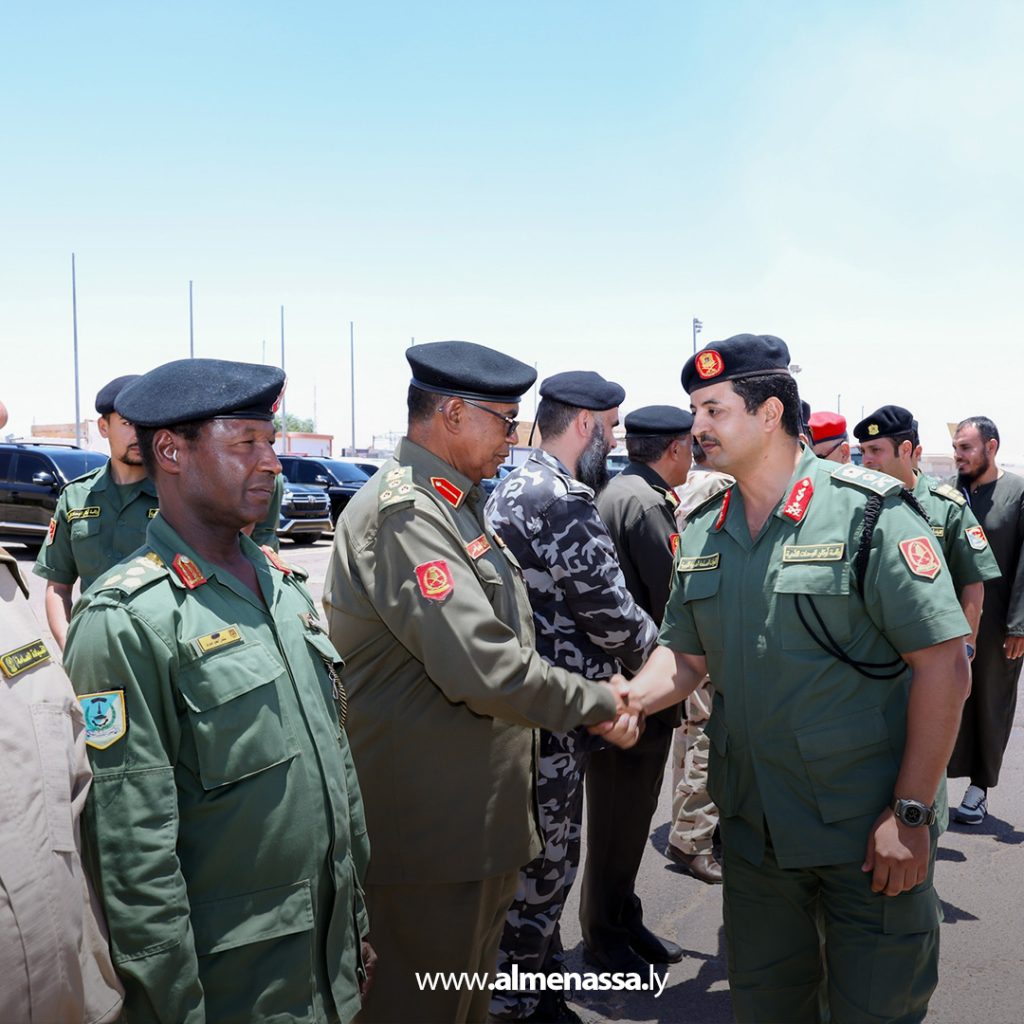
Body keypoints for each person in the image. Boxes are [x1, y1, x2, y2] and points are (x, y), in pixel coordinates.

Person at [621, 334, 971, 1023]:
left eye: (715, 410)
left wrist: (909, 814)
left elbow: (944, 665)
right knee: (767, 1007)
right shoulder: (703, 528)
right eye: (697, 410)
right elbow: (686, 655)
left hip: (865, 833)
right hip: (755, 836)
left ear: (770, 412)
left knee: (876, 1008)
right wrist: (626, 698)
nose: (697, 428)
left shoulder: (869, 513)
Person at [323, 342, 638, 1024]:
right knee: (418, 1006)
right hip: (429, 835)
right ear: (455, 415)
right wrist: (601, 702)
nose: (514, 437)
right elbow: (485, 665)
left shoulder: (456, 503)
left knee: (463, 1005)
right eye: (505, 418)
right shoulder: (406, 514)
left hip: (474, 823)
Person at [63, 358, 373, 1024]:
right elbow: (132, 853)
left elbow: (334, 773)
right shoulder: (127, 621)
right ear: (171, 452)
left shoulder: (284, 592)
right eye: (247, 445)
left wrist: (354, 928)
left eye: (272, 443)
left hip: (324, 969)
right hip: (230, 988)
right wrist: (172, 1007)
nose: (272, 463)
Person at [483, 373, 659, 1020]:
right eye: (609, 428)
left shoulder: (505, 481)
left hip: (520, 708)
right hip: (555, 718)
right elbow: (612, 616)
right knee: (545, 870)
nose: (611, 441)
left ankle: (539, 989)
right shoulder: (558, 497)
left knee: (525, 866)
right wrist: (674, 663)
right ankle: (519, 1003)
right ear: (585, 424)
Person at [580, 404, 695, 970]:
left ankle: (622, 919)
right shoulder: (645, 503)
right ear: (674, 448)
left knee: (624, 819)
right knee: (618, 821)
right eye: (690, 446)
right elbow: (676, 600)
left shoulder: (625, 491)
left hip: (628, 683)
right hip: (636, 688)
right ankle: (605, 937)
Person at [0, 544, 124, 1024]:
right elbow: (58, 584)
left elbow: (66, 797)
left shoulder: (6, 588)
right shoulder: (79, 500)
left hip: (77, 999)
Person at [855, 405, 999, 665]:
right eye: (863, 451)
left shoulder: (946, 506)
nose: (866, 460)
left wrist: (966, 647)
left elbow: (972, 581)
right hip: (871, 653)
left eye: (876, 450)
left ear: (906, 450)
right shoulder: (853, 505)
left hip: (931, 650)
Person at [34, 374, 158, 649]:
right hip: (94, 647)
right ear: (104, 427)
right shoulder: (76, 496)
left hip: (161, 649)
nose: (139, 434)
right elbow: (58, 586)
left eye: (147, 424)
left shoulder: (178, 495)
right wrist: (69, 646)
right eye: (127, 423)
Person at [947, 415, 1024, 825]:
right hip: (948, 621)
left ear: (990, 447)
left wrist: (1019, 625)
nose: (958, 456)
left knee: (990, 703)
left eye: (966, 448)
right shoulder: (949, 494)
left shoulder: (1017, 492)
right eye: (956, 448)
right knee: (942, 699)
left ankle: (979, 789)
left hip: (998, 624)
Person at [665, 438, 732, 884]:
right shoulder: (723, 487)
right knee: (710, 737)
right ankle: (693, 838)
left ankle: (684, 825)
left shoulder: (686, 487)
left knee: (690, 734)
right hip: (714, 629)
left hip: (687, 626)